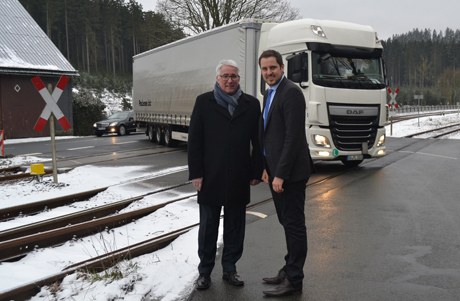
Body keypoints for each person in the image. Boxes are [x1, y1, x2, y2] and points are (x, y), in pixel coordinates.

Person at [188, 59, 263, 290]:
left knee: (235, 227)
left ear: (239, 79)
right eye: (225, 76)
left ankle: (230, 268)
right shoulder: (204, 102)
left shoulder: (251, 104)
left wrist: (256, 170)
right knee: (208, 227)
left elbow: (258, 141)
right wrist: (196, 173)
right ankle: (205, 271)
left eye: (234, 76)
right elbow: (195, 141)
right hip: (211, 176)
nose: (230, 80)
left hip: (239, 176)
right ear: (217, 79)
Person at [258, 49, 312, 297]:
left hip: (289, 174)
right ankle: (288, 269)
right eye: (265, 69)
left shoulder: (290, 92)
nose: (269, 72)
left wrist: (280, 173)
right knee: (286, 222)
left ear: (282, 67)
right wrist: (267, 168)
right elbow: (270, 136)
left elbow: (292, 137)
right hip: (276, 171)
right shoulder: (270, 93)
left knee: (294, 225)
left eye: (273, 68)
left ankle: (294, 279)